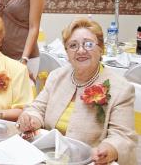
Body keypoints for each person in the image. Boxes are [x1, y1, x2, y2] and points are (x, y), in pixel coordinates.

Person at [17, 18, 137, 165]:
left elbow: (123, 136)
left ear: (101, 49)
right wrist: (31, 119)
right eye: (73, 45)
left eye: (88, 44)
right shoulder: (57, 76)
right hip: (50, 157)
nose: (81, 50)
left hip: (90, 160)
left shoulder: (120, 88)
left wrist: (108, 149)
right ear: (67, 52)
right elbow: (37, 108)